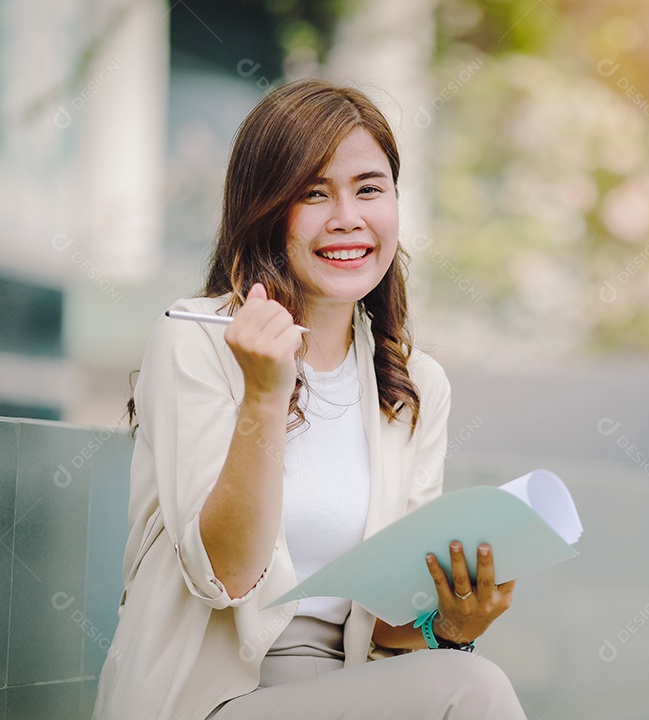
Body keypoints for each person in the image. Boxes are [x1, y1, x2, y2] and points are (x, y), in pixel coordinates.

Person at [92, 79, 526, 720]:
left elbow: (384, 630)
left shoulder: (413, 386)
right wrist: (264, 399)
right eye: (313, 193)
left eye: (370, 189)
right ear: (265, 210)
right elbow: (225, 575)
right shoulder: (195, 339)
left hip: (344, 692)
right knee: (476, 689)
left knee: (466, 671)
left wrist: (452, 626)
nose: (347, 217)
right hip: (204, 698)